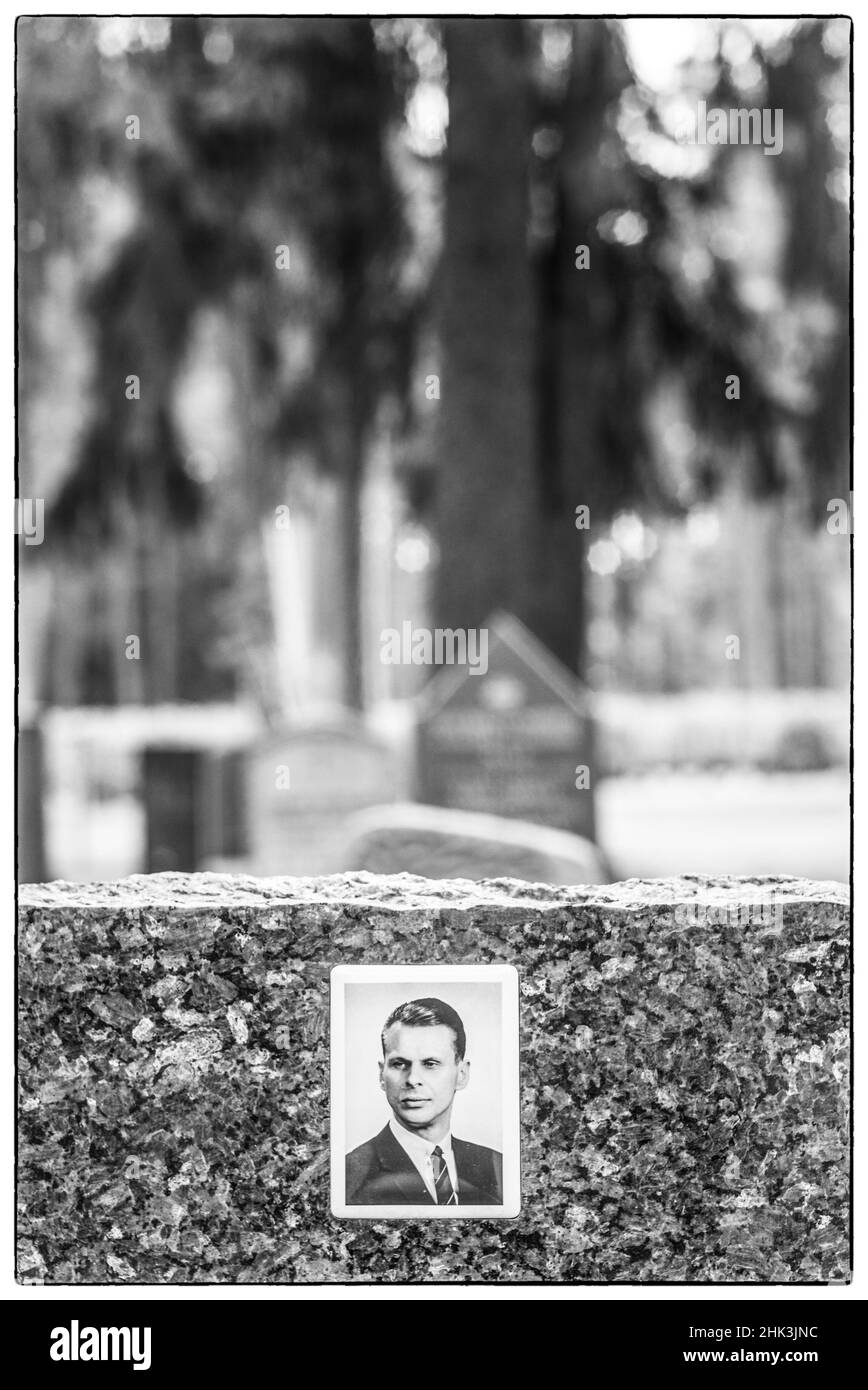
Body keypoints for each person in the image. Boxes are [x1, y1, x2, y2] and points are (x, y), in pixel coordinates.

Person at [345, 997, 503, 1206]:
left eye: (430, 1064)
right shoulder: (350, 1175)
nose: (412, 1079)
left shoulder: (498, 1167)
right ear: (382, 1076)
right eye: (399, 1064)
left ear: (462, 1074)